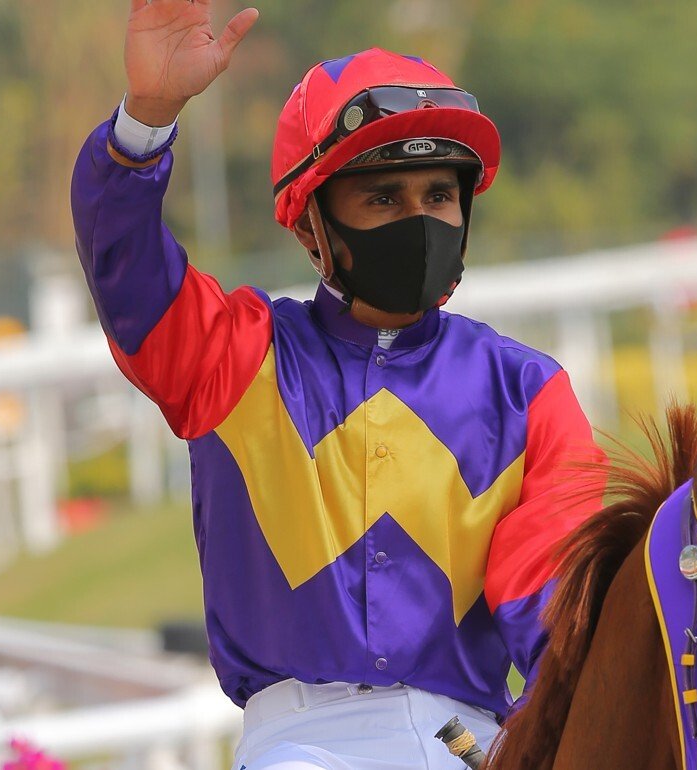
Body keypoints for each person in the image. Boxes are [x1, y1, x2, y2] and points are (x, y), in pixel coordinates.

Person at [71, 2, 601, 768]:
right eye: (383, 198)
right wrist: (147, 119)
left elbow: (561, 609)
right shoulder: (234, 359)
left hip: (469, 742)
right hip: (296, 742)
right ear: (309, 225)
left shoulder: (528, 392)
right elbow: (125, 270)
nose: (419, 220)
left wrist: (546, 726)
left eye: (438, 196)